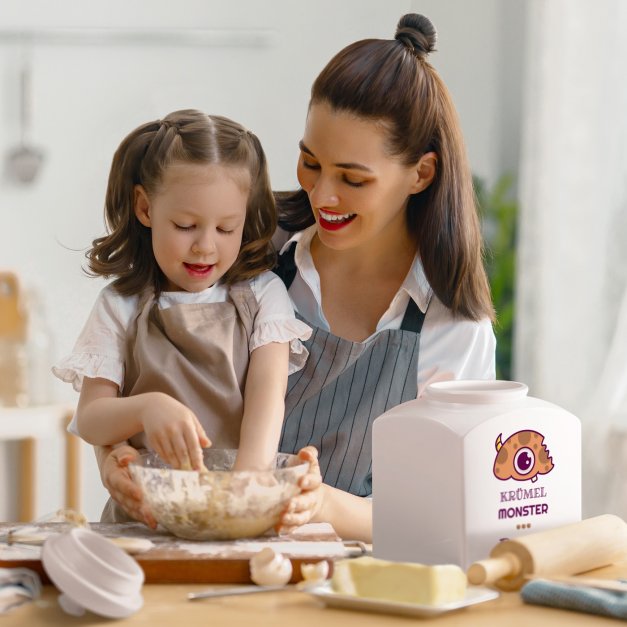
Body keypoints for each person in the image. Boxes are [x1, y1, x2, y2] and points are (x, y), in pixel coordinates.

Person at [96, 13, 496, 540]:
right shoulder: (248, 252)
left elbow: (446, 514)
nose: (322, 195)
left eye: (353, 179)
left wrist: (324, 502)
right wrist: (113, 461)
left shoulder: (453, 327)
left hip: (345, 582)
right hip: (186, 543)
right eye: (310, 162)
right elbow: (137, 364)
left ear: (420, 174)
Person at [53, 109, 311, 521]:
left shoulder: (264, 297)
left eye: (227, 229)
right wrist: (146, 408)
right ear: (145, 208)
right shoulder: (120, 305)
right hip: (142, 519)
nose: (205, 247)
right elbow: (90, 420)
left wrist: (243, 494)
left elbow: (267, 403)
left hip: (233, 510)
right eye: (186, 225)